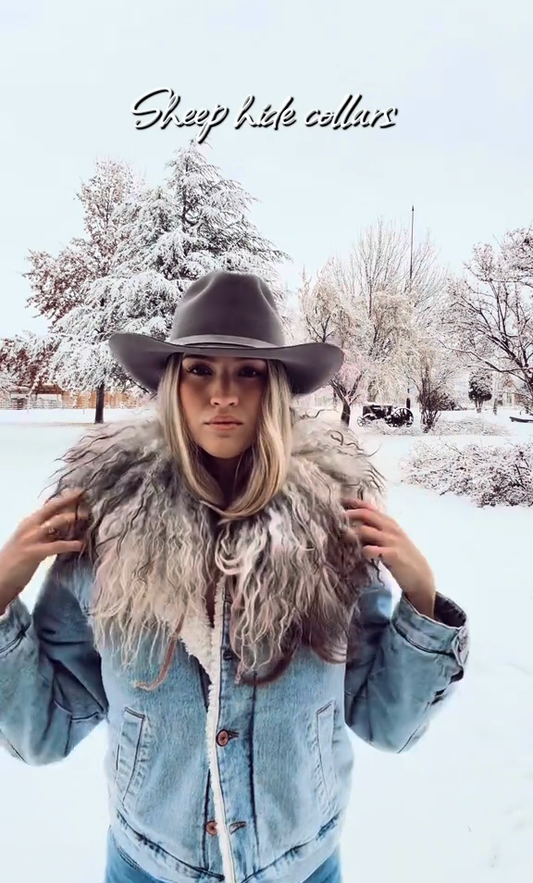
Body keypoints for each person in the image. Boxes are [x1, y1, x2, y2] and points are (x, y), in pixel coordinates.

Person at [0, 271, 469, 883]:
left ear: (274, 388)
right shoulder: (105, 530)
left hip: (301, 865)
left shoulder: (333, 530)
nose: (222, 394)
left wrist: (421, 598)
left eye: (247, 371)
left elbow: (386, 721)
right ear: (173, 383)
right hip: (148, 865)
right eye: (200, 369)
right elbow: (44, 729)